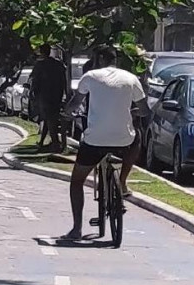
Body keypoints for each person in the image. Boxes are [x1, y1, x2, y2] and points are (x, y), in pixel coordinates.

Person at [60, 44, 147, 243]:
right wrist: (132, 113)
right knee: (138, 136)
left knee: (77, 182)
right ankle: (123, 181)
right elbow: (143, 110)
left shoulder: (89, 77)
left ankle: (76, 229)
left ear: (98, 60)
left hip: (95, 141)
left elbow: (74, 104)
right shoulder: (131, 78)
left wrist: (67, 113)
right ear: (115, 59)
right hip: (123, 141)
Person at [29, 45, 68, 152]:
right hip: (57, 95)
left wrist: (33, 92)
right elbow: (64, 80)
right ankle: (42, 142)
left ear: (41, 52)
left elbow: (34, 80)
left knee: (49, 118)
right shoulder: (58, 64)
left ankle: (55, 143)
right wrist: (65, 93)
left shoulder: (40, 65)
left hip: (45, 95)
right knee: (49, 118)